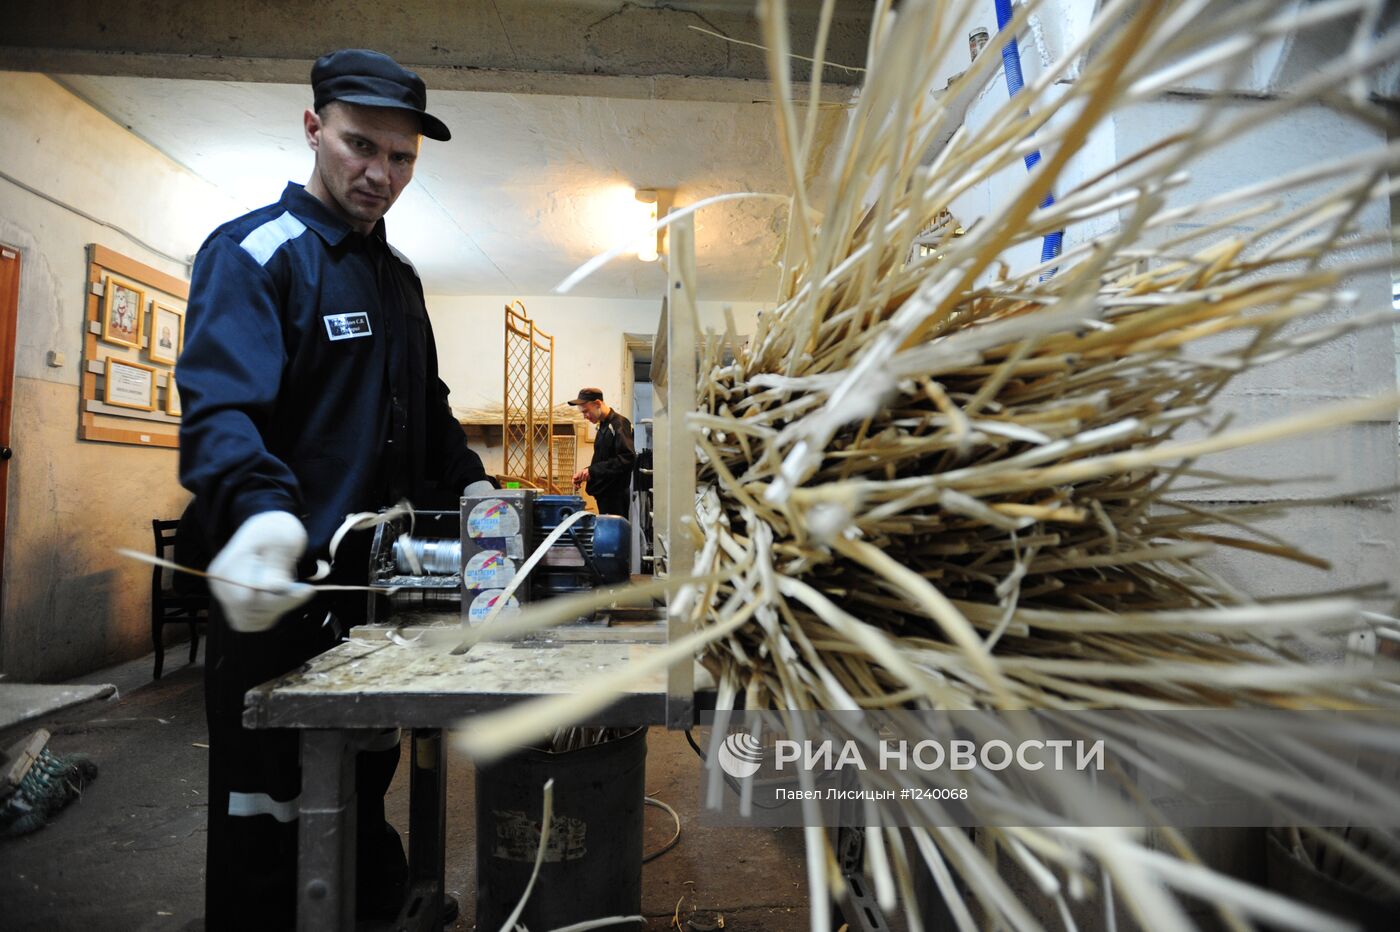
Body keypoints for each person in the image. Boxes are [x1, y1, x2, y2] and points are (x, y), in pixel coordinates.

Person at [176, 48, 493, 929]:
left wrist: (481, 496)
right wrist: (254, 513)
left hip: (373, 608)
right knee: (270, 826)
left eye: (401, 159)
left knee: (358, 790)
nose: (379, 174)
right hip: (276, 600)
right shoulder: (255, 255)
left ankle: (375, 905)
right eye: (361, 145)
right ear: (313, 128)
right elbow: (221, 409)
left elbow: (427, 417)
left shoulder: (398, 281)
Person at [568, 387, 635, 517]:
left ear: (598, 403)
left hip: (615, 498)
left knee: (614, 535)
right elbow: (603, 460)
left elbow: (627, 458)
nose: (585, 416)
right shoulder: (603, 426)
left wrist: (593, 471)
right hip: (605, 495)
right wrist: (586, 472)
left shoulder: (618, 424)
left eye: (586, 411)